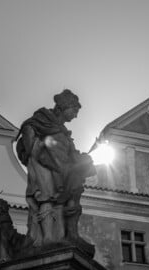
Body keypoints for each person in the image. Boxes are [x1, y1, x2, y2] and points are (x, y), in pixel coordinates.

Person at [16, 89, 95, 246]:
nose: (76, 115)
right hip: (43, 167)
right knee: (47, 198)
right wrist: (38, 150)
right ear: (64, 106)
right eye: (74, 110)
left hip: (61, 170)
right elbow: (29, 138)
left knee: (71, 192)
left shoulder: (63, 132)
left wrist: (83, 159)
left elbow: (70, 154)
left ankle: (67, 235)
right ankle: (47, 239)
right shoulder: (40, 120)